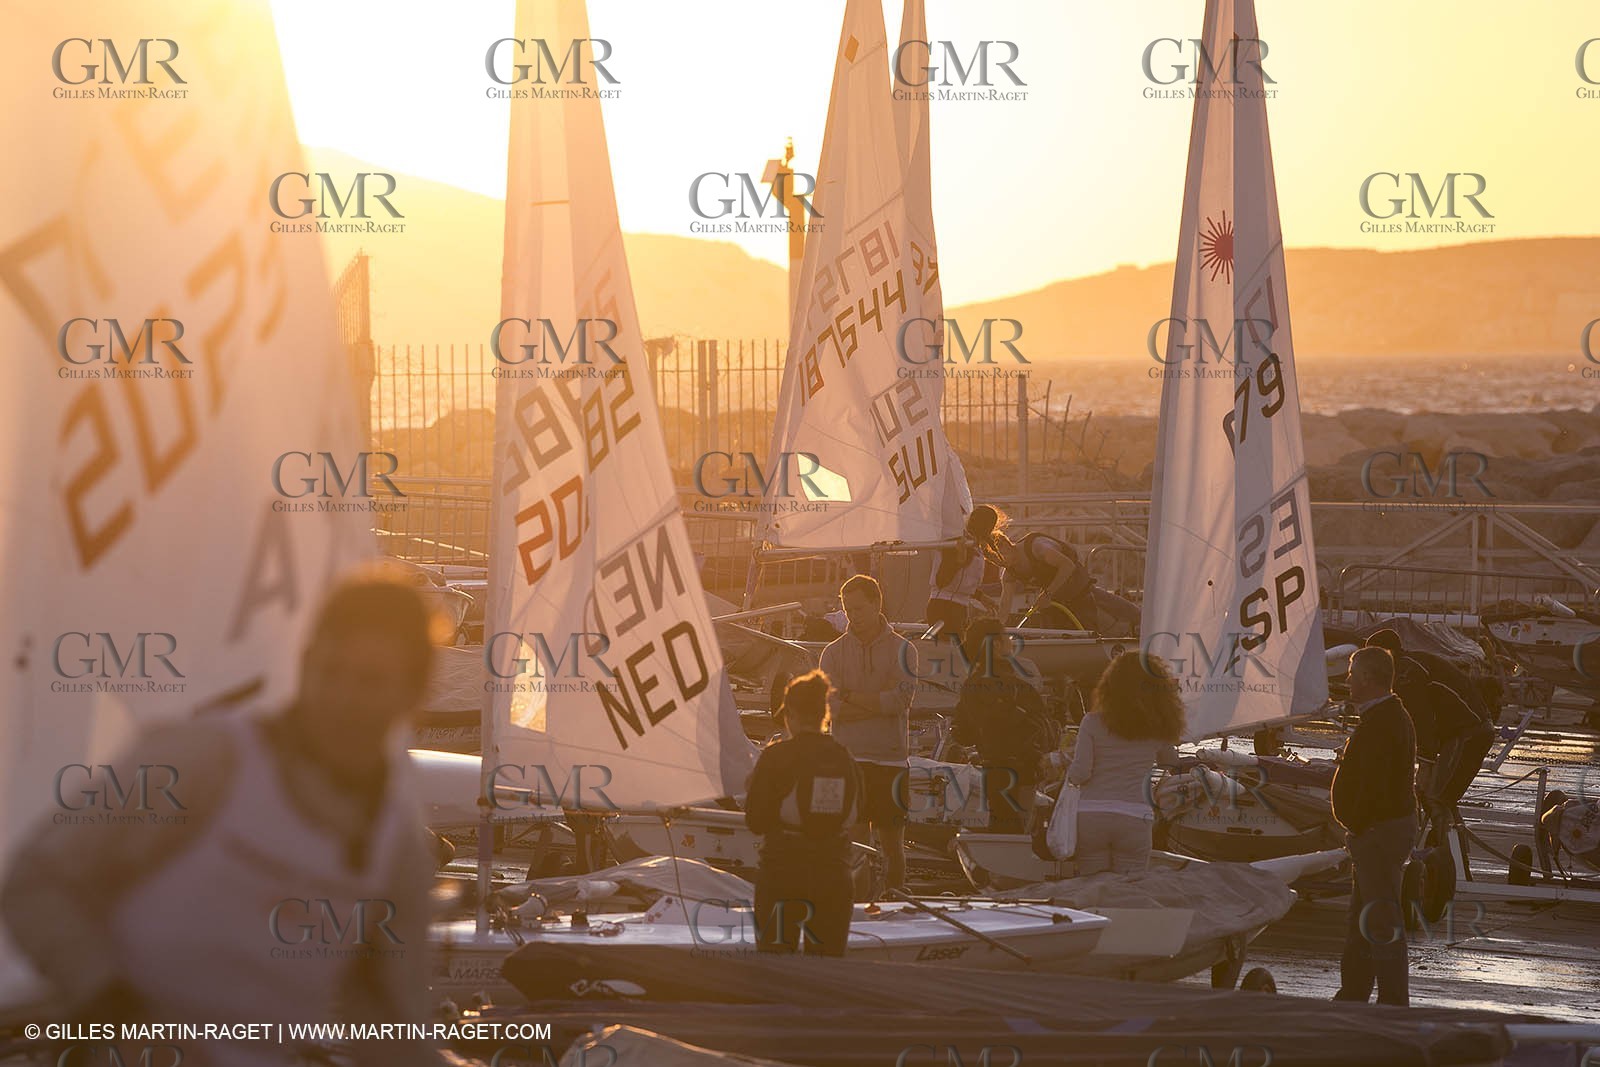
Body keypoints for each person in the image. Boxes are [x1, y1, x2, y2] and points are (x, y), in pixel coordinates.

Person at [2, 567, 444, 1067]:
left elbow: (393, 1030)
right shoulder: (201, 760)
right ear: (304, 667)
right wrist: (114, 1008)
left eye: (369, 682)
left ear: (413, 695)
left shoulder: (397, 846)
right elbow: (36, 882)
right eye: (330, 672)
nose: (341, 699)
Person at [744, 671, 862, 955]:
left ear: (792, 714)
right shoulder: (846, 758)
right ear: (824, 714)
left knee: (776, 970)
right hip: (834, 875)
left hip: (783, 873)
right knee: (827, 971)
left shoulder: (776, 757)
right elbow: (858, 814)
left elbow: (756, 821)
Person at [1330, 646, 1418, 1008]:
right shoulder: (1386, 717)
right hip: (1378, 830)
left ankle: (1394, 1004)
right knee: (1361, 919)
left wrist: (1357, 825)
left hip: (1378, 832)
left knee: (1381, 921)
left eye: (1352, 675)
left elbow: (1375, 785)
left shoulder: (1383, 722)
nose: (1348, 681)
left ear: (1368, 678)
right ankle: (1353, 994)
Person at [819, 574, 917, 894]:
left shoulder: (904, 650)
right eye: (848, 610)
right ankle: (857, 906)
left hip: (890, 761)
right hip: (849, 761)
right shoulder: (832, 653)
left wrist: (850, 697)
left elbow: (899, 701)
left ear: (877, 605)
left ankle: (896, 900)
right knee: (855, 844)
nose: (853, 617)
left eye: (859, 609)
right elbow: (831, 707)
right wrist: (874, 705)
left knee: (893, 846)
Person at [1364, 629, 1495, 845]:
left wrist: (1425, 763)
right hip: (1462, 733)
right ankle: (1456, 858)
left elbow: (1420, 717)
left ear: (1385, 655)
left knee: (1436, 796)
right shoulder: (1410, 665)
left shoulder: (1406, 672)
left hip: (1468, 733)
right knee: (1441, 797)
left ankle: (1445, 859)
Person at [1064, 652, 1183, 875]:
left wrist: (1062, 768)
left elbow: (1080, 773)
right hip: (1135, 815)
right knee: (1130, 890)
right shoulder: (1157, 726)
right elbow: (1170, 761)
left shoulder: (1092, 722)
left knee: (1091, 889)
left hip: (1091, 816)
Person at [948, 618, 1057, 834]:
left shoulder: (972, 685)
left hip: (993, 770)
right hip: (1024, 769)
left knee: (1003, 826)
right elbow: (1034, 725)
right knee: (1019, 831)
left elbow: (963, 733)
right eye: (1006, 635)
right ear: (996, 645)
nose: (1010, 639)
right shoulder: (1015, 685)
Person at [926, 505, 1004, 636]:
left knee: (955, 652)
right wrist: (958, 562)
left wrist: (981, 597)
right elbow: (941, 581)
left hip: (955, 607)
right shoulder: (960, 543)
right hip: (945, 607)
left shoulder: (972, 545)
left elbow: (958, 583)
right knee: (954, 652)